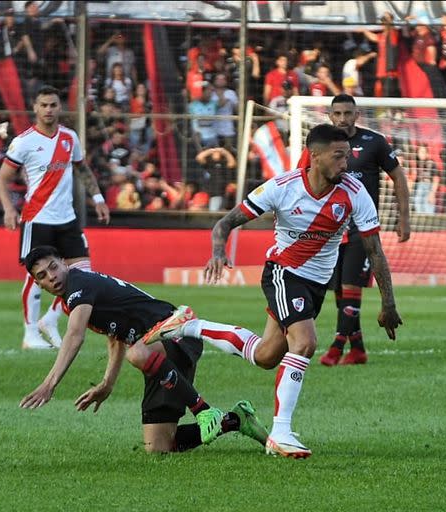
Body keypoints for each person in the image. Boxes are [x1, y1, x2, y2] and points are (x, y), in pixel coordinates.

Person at [162, 124, 403, 458]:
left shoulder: (355, 192)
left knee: (265, 356)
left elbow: (374, 251)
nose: (346, 164)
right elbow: (225, 223)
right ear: (315, 156)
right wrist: (219, 250)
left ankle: (188, 325)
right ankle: (281, 432)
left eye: (347, 156)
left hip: (316, 285)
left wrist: (388, 303)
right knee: (305, 342)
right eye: (338, 156)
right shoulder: (282, 188)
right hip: (283, 273)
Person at [19, 246, 268, 453]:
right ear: (39, 284)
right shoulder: (70, 300)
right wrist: (107, 384)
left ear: (64, 264)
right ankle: (235, 419)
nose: (51, 276)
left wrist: (49, 384)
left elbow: (74, 336)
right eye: (42, 275)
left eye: (53, 267)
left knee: (136, 353)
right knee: (159, 446)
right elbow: (115, 338)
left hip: (176, 330)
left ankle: (204, 410)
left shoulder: (79, 282)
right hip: (152, 350)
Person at [0, 85, 111, 350]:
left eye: (53, 105)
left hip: (67, 220)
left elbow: (83, 170)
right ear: (35, 108)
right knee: (36, 276)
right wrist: (8, 208)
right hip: (37, 218)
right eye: (43, 105)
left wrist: (99, 198)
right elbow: (1, 180)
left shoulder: (70, 137)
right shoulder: (24, 142)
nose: (48, 110)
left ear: (60, 108)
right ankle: (29, 333)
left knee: (82, 275)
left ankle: (50, 319)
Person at [297, 94, 411, 366]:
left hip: (362, 227)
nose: (343, 119)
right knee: (339, 289)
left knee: (350, 285)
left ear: (357, 115)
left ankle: (337, 345)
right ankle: (357, 347)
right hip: (330, 229)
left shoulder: (374, 142)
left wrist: (403, 217)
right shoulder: (321, 147)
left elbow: (398, 176)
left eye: (348, 113)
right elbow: (301, 180)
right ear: (330, 115)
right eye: (337, 113)